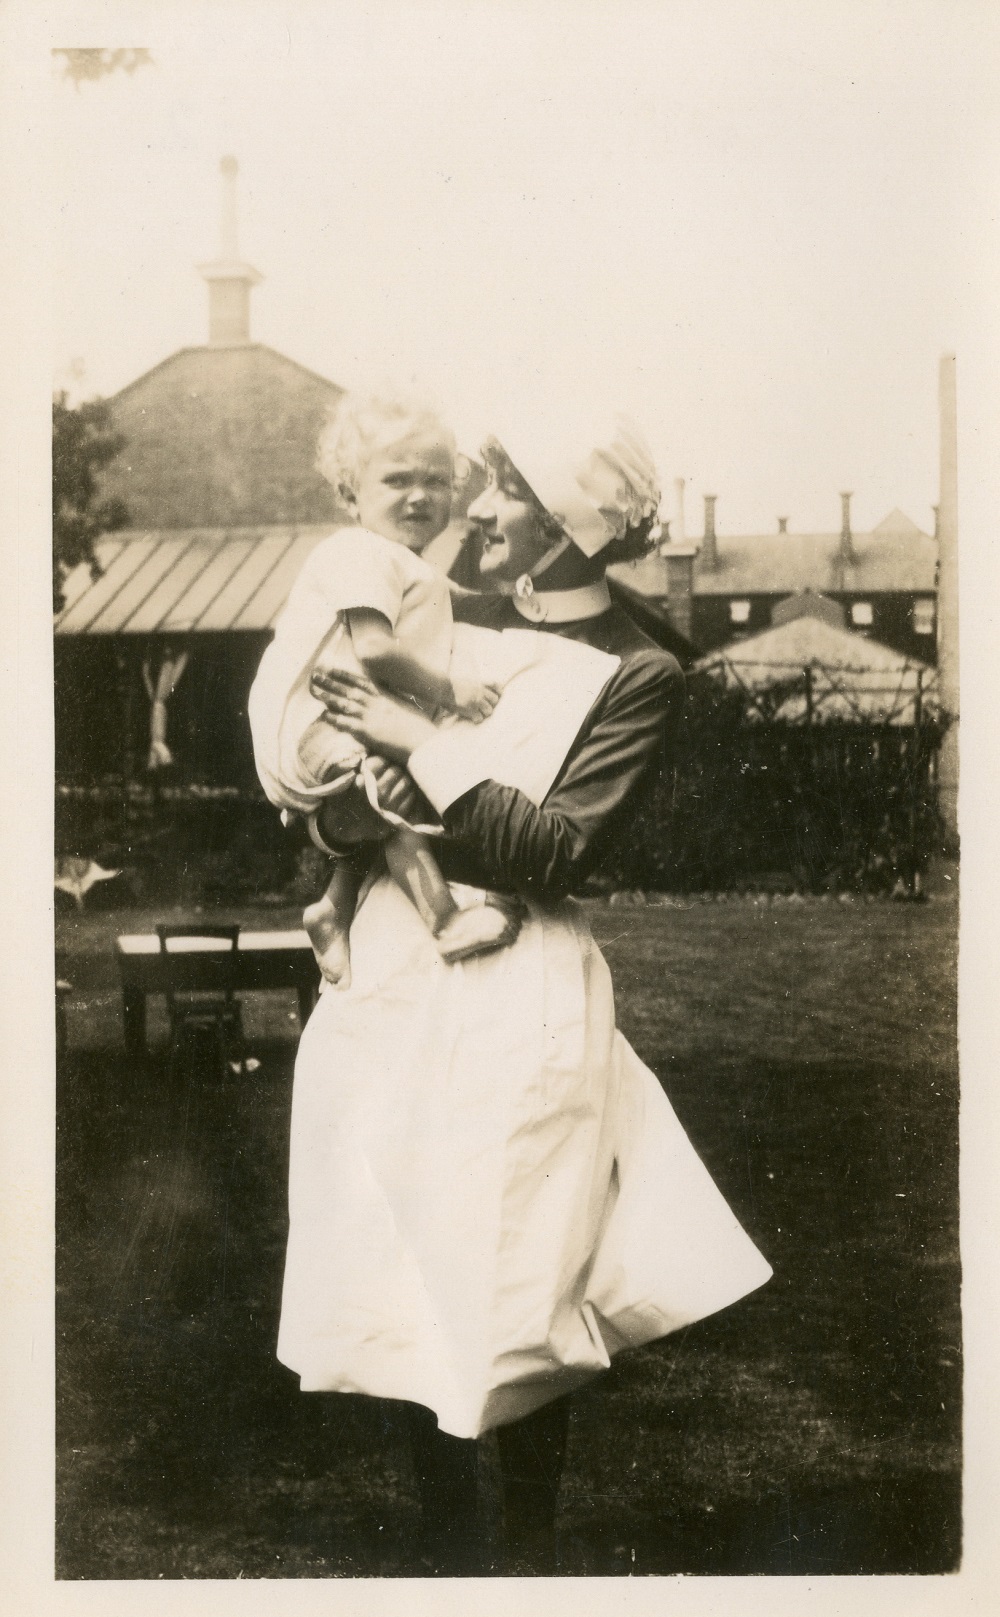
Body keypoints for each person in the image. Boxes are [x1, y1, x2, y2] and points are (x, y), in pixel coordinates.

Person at [258, 411, 773, 1575]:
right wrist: (354, 803)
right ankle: (445, 1564)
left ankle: (529, 1565)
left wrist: (413, 742)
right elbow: (333, 803)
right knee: (400, 1268)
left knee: (517, 1272)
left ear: (567, 531)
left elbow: (553, 852)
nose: (476, 514)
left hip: (516, 979)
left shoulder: (639, 678)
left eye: (504, 500)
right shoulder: (454, 623)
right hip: (400, 970)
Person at [249, 390, 620, 987]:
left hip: (348, 724)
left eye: (437, 481)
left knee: (379, 806)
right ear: (350, 495)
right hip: (324, 722)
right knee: (390, 809)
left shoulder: (411, 567)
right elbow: (373, 648)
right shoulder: (359, 552)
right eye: (397, 480)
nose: (420, 495)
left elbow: (456, 609)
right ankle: (444, 919)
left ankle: (331, 910)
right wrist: (450, 693)